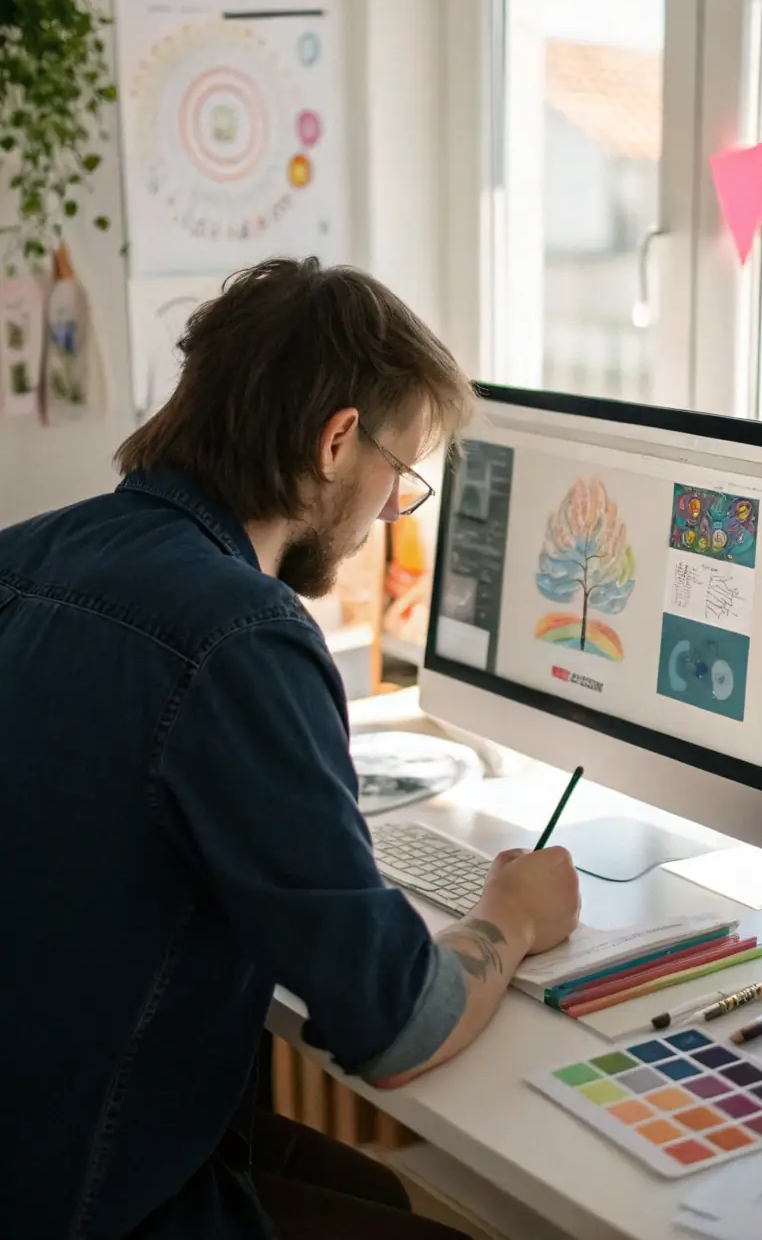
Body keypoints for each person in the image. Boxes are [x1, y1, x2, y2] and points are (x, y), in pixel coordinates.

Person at [0, 258, 581, 1240]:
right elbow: (397, 1025)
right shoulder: (239, 634)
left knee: (378, 1189)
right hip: (79, 1198)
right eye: (397, 479)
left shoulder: (24, 554)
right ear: (337, 440)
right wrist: (512, 917)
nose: (380, 519)